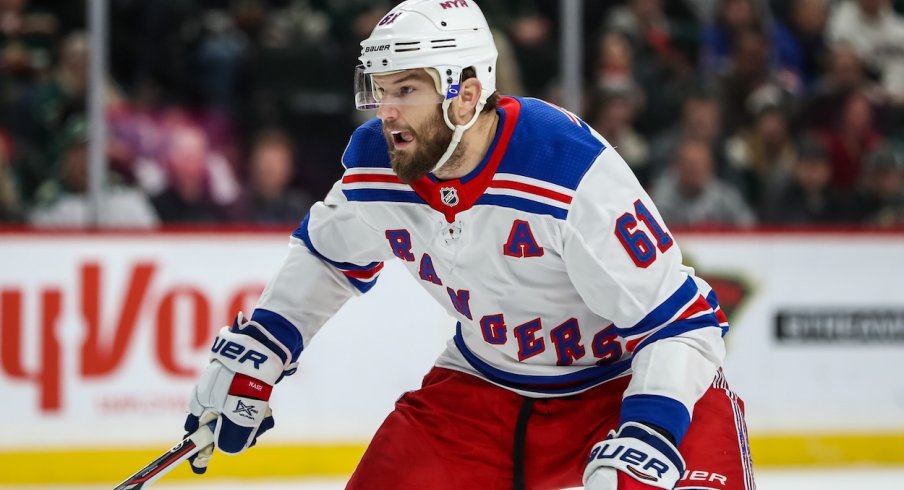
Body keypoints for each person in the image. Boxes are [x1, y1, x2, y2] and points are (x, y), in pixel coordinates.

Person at [183, 2, 755, 489]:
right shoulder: (378, 164)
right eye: (380, 90)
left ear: (467, 94)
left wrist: (649, 432)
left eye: (406, 89)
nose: (386, 112)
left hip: (623, 388)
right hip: (483, 393)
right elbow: (329, 255)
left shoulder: (564, 169)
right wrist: (265, 345)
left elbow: (683, 324)